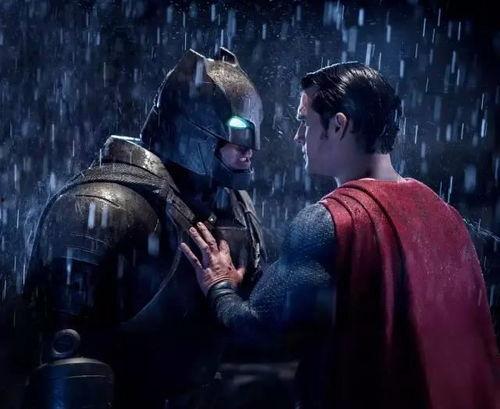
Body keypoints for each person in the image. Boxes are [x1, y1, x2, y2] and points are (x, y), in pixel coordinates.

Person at [181, 62, 500, 409]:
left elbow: (255, 331)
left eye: (305, 122)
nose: (298, 137)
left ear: (338, 125)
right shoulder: (445, 215)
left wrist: (218, 285)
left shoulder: (331, 221)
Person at [22, 47, 267, 409]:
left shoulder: (234, 205)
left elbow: (256, 328)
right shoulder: (104, 206)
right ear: (194, 134)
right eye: (236, 137)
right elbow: (60, 355)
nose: (249, 152)